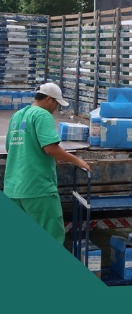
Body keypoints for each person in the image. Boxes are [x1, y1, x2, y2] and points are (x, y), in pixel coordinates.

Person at [3, 83, 91, 244]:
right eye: (56, 103)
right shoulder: (42, 115)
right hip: (38, 189)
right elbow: (51, 148)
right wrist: (78, 160)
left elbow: (11, 147)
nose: (56, 108)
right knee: (51, 236)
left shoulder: (18, 115)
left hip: (13, 188)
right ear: (49, 99)